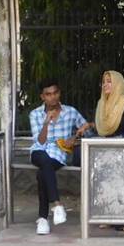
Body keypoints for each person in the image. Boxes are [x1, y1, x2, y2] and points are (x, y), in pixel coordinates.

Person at [29, 78, 92, 235]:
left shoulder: (70, 112)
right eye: (48, 94)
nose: (53, 97)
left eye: (55, 92)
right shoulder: (35, 114)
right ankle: (57, 205)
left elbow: (88, 131)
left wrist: (84, 129)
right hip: (38, 151)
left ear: (59, 93)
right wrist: (45, 123)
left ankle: (43, 219)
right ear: (42, 97)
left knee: (42, 172)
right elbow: (40, 141)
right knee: (43, 160)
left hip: (58, 154)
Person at [94, 70, 124, 233]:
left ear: (117, 84)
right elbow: (103, 131)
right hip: (110, 152)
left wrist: (117, 140)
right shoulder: (102, 104)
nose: (105, 85)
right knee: (106, 180)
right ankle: (109, 216)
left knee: (123, 180)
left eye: (109, 81)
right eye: (104, 81)